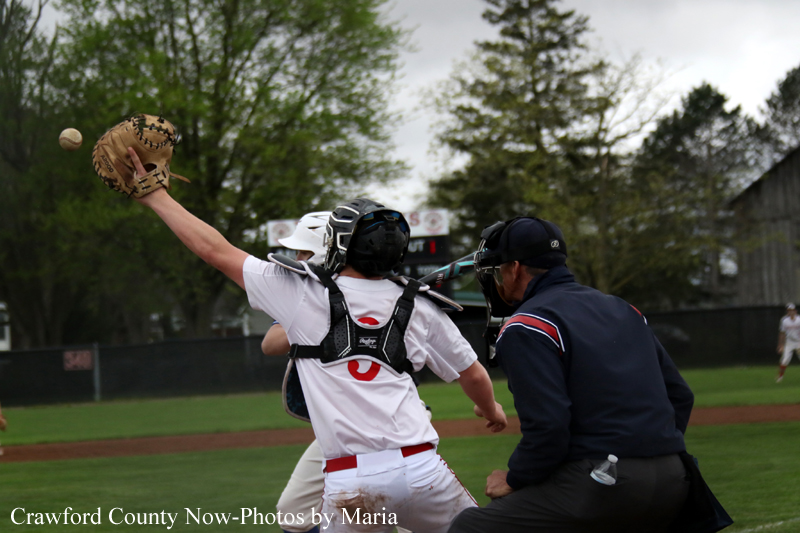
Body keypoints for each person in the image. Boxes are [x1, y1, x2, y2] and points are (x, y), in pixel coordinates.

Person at [128, 147, 507, 533]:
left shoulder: (301, 294)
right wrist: (490, 409)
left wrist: (154, 196)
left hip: (353, 480)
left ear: (339, 244)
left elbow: (214, 250)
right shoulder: (422, 308)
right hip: (423, 469)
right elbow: (473, 375)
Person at [449, 216, 695, 533]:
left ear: (515, 268)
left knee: (470, 526)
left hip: (603, 483)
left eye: (499, 269)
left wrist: (513, 478)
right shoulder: (623, 308)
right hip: (675, 477)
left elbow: (549, 427)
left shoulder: (526, 325)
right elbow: (680, 396)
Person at [776, 303, 800, 383]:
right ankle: (780, 376)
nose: (790, 312)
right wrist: (780, 345)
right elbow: (782, 333)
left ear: (795, 311)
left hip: (798, 341)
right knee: (785, 360)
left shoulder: (799, 319)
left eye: (792, 310)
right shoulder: (784, 320)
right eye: (789, 311)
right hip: (789, 342)